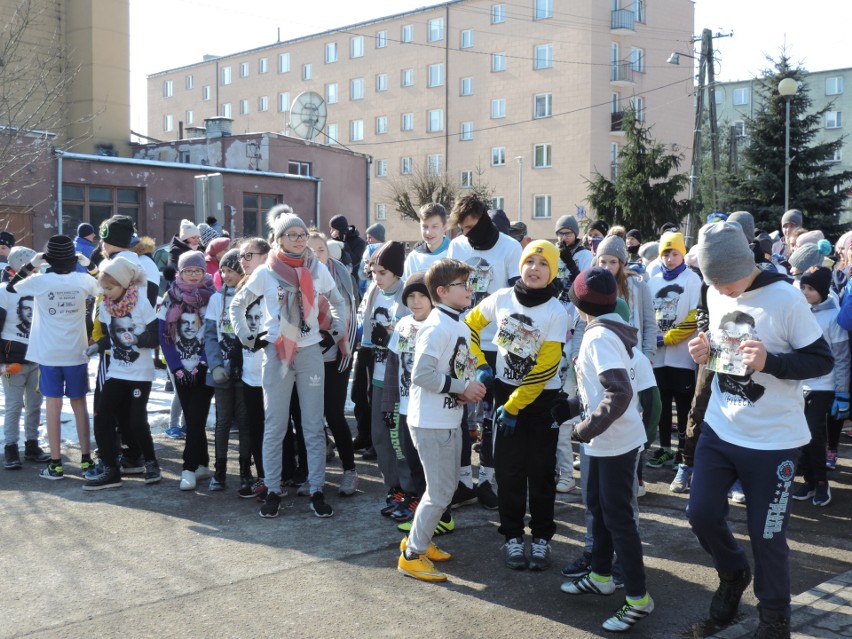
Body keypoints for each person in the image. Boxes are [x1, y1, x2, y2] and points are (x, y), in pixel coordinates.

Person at [686, 221, 833, 637]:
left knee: (766, 534)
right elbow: (725, 353)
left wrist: (772, 363)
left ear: (745, 264)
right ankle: (733, 574)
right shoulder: (715, 291)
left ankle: (774, 619)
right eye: (714, 282)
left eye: (728, 281)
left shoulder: (785, 298)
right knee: (701, 514)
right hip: (721, 427)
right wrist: (706, 351)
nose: (723, 291)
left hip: (774, 442)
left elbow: (822, 362)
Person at [557, 267, 655, 632]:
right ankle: (600, 575)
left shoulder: (598, 336)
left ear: (580, 304)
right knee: (598, 508)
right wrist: (573, 409)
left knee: (619, 519)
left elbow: (619, 393)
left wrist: (583, 429)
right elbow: (606, 389)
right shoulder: (613, 328)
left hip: (613, 441)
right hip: (607, 441)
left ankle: (638, 598)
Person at [231, 209, 345, 519]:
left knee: (312, 425)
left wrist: (334, 331)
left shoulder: (316, 268)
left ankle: (317, 489)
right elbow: (237, 304)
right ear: (278, 239)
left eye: (302, 235)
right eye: (291, 235)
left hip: (310, 354)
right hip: (277, 354)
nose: (298, 240)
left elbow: (339, 302)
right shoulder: (266, 271)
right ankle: (272, 489)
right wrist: (247, 336)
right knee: (275, 426)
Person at [465, 240, 568, 571]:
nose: (535, 268)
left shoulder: (556, 310)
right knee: (508, 472)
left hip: (541, 400)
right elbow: (468, 325)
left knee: (540, 473)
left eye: (543, 264)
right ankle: (511, 536)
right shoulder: (501, 298)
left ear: (552, 271)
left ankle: (540, 539)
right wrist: (480, 363)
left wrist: (514, 405)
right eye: (530, 262)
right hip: (504, 396)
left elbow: (547, 368)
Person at [397, 258, 486, 582]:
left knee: (445, 490)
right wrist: (463, 387)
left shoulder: (457, 323)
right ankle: (412, 554)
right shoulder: (436, 326)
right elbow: (421, 374)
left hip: (448, 418)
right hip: (431, 422)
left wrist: (465, 391)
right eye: (464, 285)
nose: (469, 290)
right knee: (439, 492)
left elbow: (452, 370)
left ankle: (420, 540)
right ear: (442, 291)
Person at [448, 194, 522, 509]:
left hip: (499, 344)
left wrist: (516, 349)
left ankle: (489, 480)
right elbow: (448, 295)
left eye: (471, 226)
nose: (467, 233)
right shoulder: (457, 247)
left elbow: (519, 300)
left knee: (494, 415)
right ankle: (464, 480)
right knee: (461, 412)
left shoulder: (510, 247)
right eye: (462, 228)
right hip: (466, 342)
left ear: (482, 220)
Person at [9, 235, 99, 479]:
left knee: (53, 406)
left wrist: (31, 265)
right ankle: (86, 461)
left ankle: (56, 464)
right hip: (76, 353)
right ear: (73, 258)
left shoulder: (39, 281)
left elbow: (11, 285)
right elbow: (105, 284)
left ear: (48, 258)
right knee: (79, 404)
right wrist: (89, 265)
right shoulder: (82, 279)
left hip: (48, 355)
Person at [85, 257, 161, 490]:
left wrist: (137, 338)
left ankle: (150, 462)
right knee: (102, 415)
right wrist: (97, 346)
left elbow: (155, 337)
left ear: (124, 284)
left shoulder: (140, 303)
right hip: (116, 371)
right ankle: (110, 468)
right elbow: (111, 337)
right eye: (104, 288)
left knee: (136, 421)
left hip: (140, 373)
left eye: (111, 288)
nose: (106, 293)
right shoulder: (106, 307)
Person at [307, 230, 360, 497]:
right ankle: (314, 474)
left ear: (328, 252)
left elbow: (350, 317)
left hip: (337, 354)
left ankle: (350, 471)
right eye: (311, 250)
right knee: (311, 416)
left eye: (321, 250)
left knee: (334, 414)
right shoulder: (298, 274)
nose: (315, 255)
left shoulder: (339, 277)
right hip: (308, 356)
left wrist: (340, 345)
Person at [159, 250, 216, 491]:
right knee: (194, 420)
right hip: (180, 368)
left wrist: (203, 363)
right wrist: (176, 367)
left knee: (194, 419)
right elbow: (164, 336)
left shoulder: (212, 297)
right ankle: (201, 464)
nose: (193, 275)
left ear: (204, 272)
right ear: (180, 272)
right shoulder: (170, 298)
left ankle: (188, 468)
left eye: (198, 270)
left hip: (204, 369)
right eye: (188, 271)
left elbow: (214, 334)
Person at [359, 241, 410, 512]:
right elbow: (364, 328)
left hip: (397, 379)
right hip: (376, 373)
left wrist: (390, 335)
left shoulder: (407, 295)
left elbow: (413, 334)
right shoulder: (373, 291)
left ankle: (408, 489)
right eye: (374, 272)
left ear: (396, 273)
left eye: (382, 273)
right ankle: (393, 487)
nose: (376, 278)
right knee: (379, 435)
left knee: (397, 438)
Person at [792, 266, 848, 506]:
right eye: (803, 287)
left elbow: (842, 357)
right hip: (799, 385)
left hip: (824, 386)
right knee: (799, 434)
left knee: (814, 433)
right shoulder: (800, 312)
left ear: (824, 291)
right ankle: (808, 481)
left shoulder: (834, 316)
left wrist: (842, 392)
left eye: (811, 288)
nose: (805, 292)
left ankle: (822, 483)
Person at [646, 231, 700, 469]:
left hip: (682, 355)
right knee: (662, 405)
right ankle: (665, 449)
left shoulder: (692, 279)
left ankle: (683, 452)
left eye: (674, 253)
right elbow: (648, 313)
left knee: (685, 405)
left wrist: (668, 338)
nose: (669, 258)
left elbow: (693, 317)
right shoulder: (654, 279)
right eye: (666, 253)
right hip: (659, 358)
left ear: (683, 254)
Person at [0, 247, 48, 469]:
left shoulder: (39, 288)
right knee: (14, 404)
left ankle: (32, 444)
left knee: (35, 404)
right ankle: (10, 447)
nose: (37, 269)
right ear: (21, 266)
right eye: (33, 265)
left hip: (37, 357)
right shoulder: (4, 290)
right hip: (13, 361)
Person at [203, 248, 246, 491]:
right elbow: (210, 336)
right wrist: (215, 365)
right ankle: (219, 472)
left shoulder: (249, 296)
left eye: (231, 270)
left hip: (244, 371)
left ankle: (244, 472)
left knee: (244, 420)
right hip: (221, 371)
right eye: (223, 270)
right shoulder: (216, 299)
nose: (226, 275)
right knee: (222, 421)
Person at [233, 237, 272, 498]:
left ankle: (284, 476)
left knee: (279, 429)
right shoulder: (242, 288)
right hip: (250, 374)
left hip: (274, 372)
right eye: (241, 256)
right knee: (255, 427)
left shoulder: (274, 286)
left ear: (265, 256)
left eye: (249, 255)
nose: (243, 261)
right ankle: (264, 477)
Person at [402, 203, 451, 280]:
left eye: (434, 227)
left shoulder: (454, 252)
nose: (428, 232)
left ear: (445, 227)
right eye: (425, 227)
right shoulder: (414, 257)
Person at [329, 214, 366, 279]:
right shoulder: (334, 240)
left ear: (340, 229)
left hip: (352, 280)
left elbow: (354, 261)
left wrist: (343, 244)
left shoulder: (360, 242)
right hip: (335, 277)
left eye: (333, 229)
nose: (331, 231)